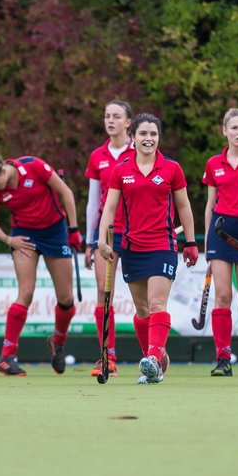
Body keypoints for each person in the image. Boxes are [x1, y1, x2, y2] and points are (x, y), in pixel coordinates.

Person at [97, 114, 198, 384]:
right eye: (143, 134)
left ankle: (152, 358)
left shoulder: (171, 168)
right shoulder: (121, 170)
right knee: (142, 311)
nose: (148, 139)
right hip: (131, 247)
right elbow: (109, 207)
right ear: (133, 137)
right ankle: (153, 359)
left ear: (158, 137)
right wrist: (102, 240)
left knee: (156, 303)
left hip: (163, 245)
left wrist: (190, 242)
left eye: (153, 134)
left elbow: (184, 206)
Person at [0, 151, 82, 376]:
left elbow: (65, 192)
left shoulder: (34, 166)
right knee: (25, 293)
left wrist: (73, 229)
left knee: (66, 299)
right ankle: (7, 356)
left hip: (55, 232)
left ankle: (58, 342)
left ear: (3, 170)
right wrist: (9, 240)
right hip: (24, 236)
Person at [84, 99, 134, 378]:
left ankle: (153, 353)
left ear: (128, 122)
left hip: (137, 230)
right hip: (106, 234)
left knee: (144, 300)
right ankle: (107, 357)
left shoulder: (140, 149)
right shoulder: (97, 156)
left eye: (116, 116)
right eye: (107, 116)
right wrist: (91, 242)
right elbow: (93, 203)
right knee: (105, 296)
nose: (110, 121)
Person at [201, 108, 238, 377]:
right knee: (222, 296)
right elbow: (210, 206)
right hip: (220, 233)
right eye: (234, 128)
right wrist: (208, 244)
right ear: (225, 131)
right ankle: (223, 358)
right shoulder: (213, 164)